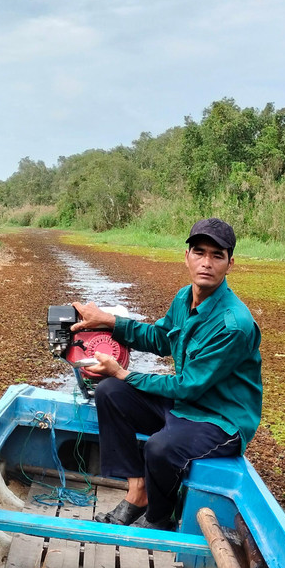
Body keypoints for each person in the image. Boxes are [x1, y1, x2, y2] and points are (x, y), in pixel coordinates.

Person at [70, 218, 263, 530]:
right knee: (110, 393)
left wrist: (123, 372)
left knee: (161, 447)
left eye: (217, 255)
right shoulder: (185, 298)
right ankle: (138, 491)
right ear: (186, 256)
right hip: (184, 406)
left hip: (219, 420)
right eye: (199, 253)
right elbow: (160, 339)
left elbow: (187, 386)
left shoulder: (234, 324)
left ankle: (161, 518)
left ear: (230, 263)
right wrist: (107, 321)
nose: (206, 263)